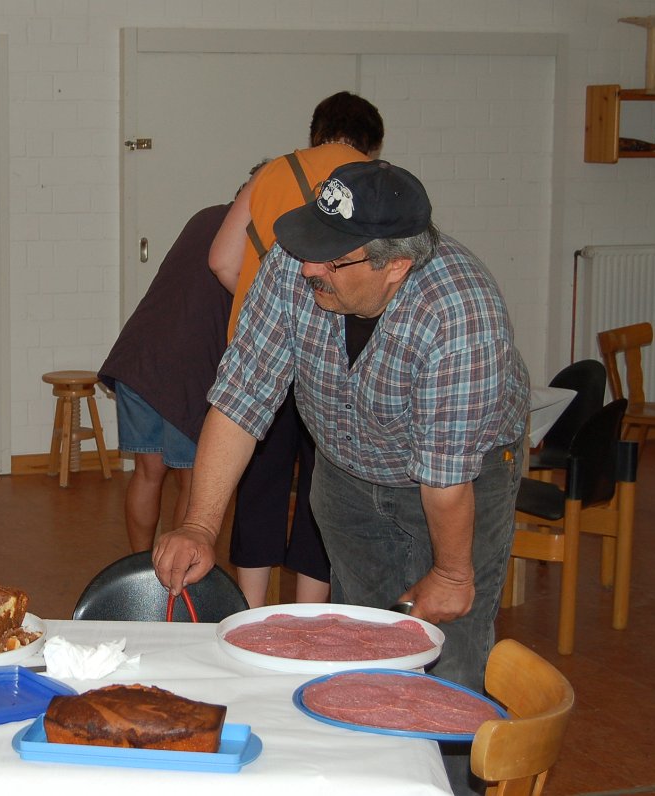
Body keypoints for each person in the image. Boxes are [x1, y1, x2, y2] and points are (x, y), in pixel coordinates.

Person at [153, 162, 528, 793]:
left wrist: (453, 572)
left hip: (460, 483)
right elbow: (241, 397)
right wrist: (198, 523)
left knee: (450, 662)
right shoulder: (296, 260)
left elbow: (445, 478)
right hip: (347, 471)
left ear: (395, 266)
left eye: (331, 260)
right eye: (310, 247)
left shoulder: (459, 313)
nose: (308, 269)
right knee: (355, 644)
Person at [209, 91, 384, 607]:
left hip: (265, 357)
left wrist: (260, 302)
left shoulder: (272, 173)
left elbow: (222, 261)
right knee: (323, 486)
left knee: (259, 482)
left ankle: (251, 611)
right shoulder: (373, 181)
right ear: (371, 145)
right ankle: (309, 612)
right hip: (335, 358)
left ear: (315, 133)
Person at [98, 203, 232, 552]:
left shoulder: (204, 216)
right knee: (193, 481)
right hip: (184, 369)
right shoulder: (259, 236)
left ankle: (141, 570)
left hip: (138, 355)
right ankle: (178, 579)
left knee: (147, 471)